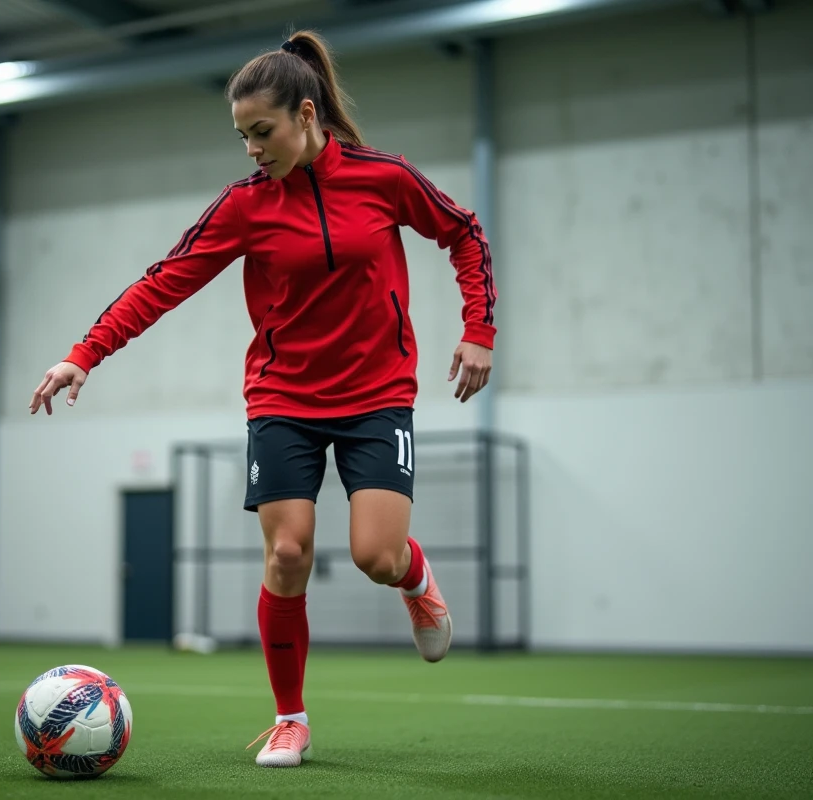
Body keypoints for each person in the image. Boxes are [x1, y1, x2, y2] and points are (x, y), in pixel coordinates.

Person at [29, 29, 496, 768]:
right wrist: (83, 354)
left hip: (378, 392)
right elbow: (164, 281)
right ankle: (290, 719)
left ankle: (417, 581)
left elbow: (464, 235)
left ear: (306, 116)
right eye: (241, 135)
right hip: (284, 397)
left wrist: (479, 331)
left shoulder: (384, 178)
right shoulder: (245, 206)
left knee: (375, 553)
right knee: (287, 553)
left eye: (262, 131)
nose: (251, 148)